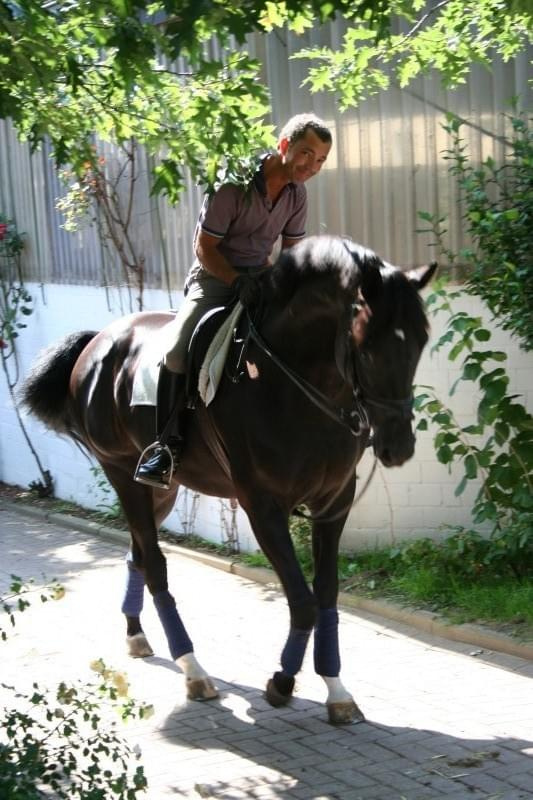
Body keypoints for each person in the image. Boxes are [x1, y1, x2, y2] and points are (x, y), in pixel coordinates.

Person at [135, 112, 333, 489]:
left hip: (261, 279)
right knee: (177, 351)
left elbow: (291, 253)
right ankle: (166, 446)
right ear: (285, 146)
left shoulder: (297, 195)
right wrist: (235, 279)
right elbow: (203, 247)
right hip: (214, 278)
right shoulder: (233, 185)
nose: (313, 166)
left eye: (321, 160)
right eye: (307, 154)